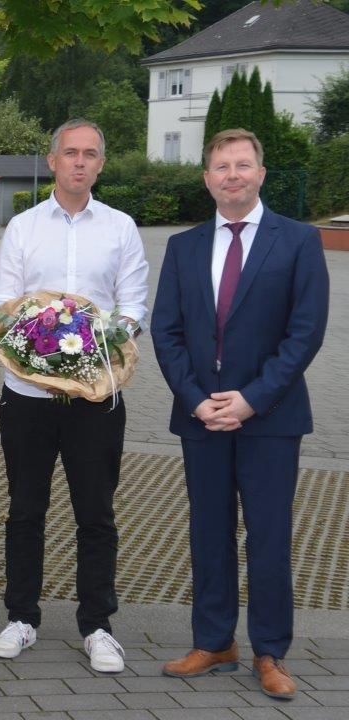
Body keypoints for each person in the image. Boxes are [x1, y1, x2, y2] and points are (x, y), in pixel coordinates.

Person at [151, 129, 328, 700]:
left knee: (269, 537)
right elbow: (167, 332)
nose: (232, 174)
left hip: (270, 418)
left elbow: (305, 334)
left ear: (261, 173)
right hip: (201, 414)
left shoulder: (299, 241)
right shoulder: (182, 247)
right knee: (209, 532)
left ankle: (270, 651)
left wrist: (251, 398)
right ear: (207, 178)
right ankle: (214, 641)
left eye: (242, 165)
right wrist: (196, 398)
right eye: (221, 166)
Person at [0, 119, 148, 673]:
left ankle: (98, 626)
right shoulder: (23, 228)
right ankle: (21, 618)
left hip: (96, 398)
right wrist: (44, 355)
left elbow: (133, 308)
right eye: (70, 153)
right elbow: (4, 303)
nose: (80, 162)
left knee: (96, 514)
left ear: (102, 164)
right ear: (52, 160)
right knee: (25, 510)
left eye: (91, 154)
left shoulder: (122, 228)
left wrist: (95, 350)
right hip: (26, 393)